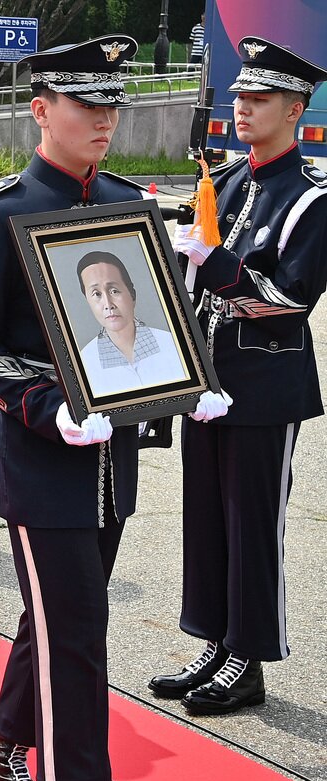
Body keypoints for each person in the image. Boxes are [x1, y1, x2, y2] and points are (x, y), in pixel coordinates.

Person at [0, 34, 229, 781]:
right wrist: (45, 403)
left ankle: (3, 751)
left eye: (112, 104)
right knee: (76, 628)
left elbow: (140, 329)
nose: (105, 119)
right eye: (86, 104)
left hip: (111, 462)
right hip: (38, 458)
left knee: (55, 617)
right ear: (41, 110)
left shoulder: (122, 201)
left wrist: (190, 376)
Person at [151, 37, 327, 714]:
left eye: (259, 99)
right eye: (240, 96)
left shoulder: (312, 200)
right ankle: (214, 641)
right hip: (206, 382)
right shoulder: (223, 183)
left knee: (252, 523)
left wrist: (218, 262)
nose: (242, 108)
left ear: (296, 108)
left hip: (263, 385)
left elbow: (285, 306)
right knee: (205, 519)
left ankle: (249, 657)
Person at [74, 250, 185, 394]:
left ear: (132, 294)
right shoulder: (85, 362)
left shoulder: (173, 344)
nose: (108, 304)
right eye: (97, 294)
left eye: (114, 291)